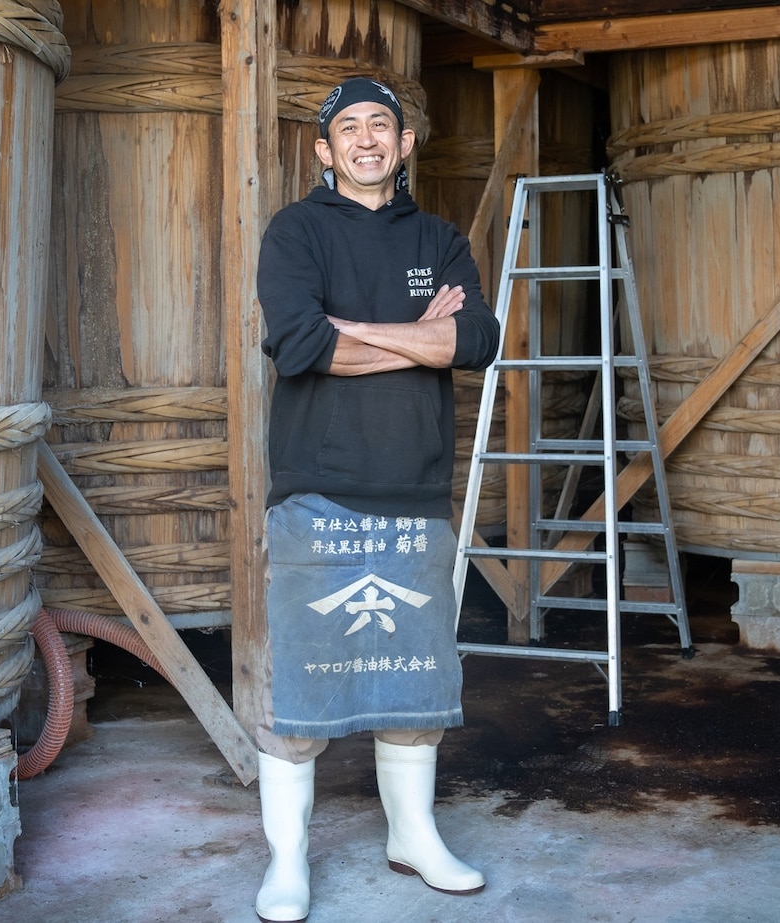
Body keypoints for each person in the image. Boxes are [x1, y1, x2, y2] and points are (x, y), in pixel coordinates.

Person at [252, 76, 501, 923]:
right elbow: (296, 344)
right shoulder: (295, 232)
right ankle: (287, 861)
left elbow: (475, 340)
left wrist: (351, 334)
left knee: (415, 680)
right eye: (347, 128)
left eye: (380, 125)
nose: (365, 139)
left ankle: (414, 835)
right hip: (314, 491)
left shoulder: (439, 235)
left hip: (415, 488)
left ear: (403, 143)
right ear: (324, 150)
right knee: (300, 684)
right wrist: (415, 340)